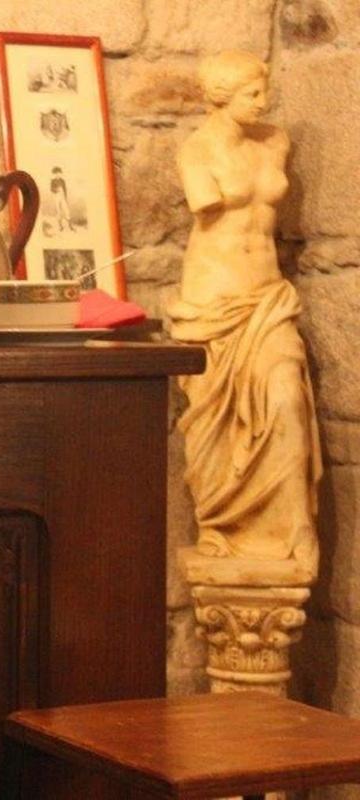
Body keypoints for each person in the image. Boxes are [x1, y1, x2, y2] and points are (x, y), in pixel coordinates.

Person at [170, 50, 321, 575]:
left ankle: (296, 527)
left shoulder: (275, 141)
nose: (264, 100)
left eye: (263, 90)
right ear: (221, 96)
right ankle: (221, 521)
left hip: (269, 296)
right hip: (215, 297)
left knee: (286, 401)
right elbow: (204, 205)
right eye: (252, 93)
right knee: (219, 421)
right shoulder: (197, 149)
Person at [49, 167, 71, 232]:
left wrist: (65, 197)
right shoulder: (52, 181)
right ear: (54, 174)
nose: (57, 174)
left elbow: (65, 189)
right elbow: (51, 189)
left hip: (62, 196)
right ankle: (60, 226)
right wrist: (56, 190)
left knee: (66, 210)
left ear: (60, 173)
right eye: (56, 173)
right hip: (56, 197)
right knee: (58, 211)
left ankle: (70, 226)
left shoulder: (62, 181)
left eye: (58, 173)